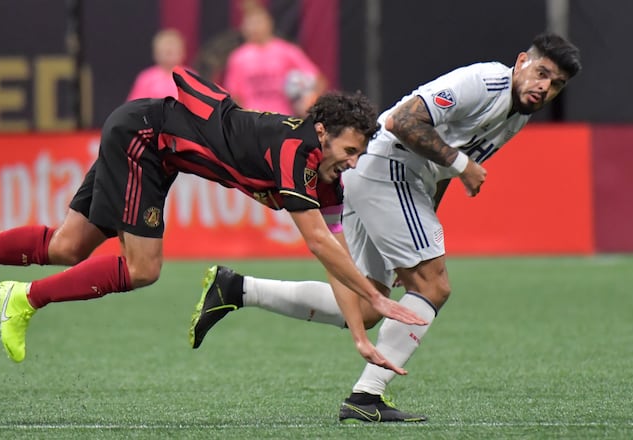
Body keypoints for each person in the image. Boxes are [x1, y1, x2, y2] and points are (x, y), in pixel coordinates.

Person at [0, 66, 427, 365]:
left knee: (68, 246)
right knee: (143, 268)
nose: (354, 162)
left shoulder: (325, 175)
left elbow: (332, 253)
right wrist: (376, 295)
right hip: (144, 139)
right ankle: (21, 298)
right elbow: (319, 245)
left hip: (148, 139)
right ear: (323, 132)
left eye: (360, 154)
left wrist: (360, 333)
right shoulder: (297, 153)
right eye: (351, 149)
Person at [189, 32, 582, 423]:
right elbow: (403, 121)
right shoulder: (485, 82)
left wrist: (421, 227)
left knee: (366, 304)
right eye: (541, 72)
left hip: (388, 180)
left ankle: (237, 289)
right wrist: (463, 167)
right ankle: (367, 395)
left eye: (556, 84)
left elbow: (442, 169)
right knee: (432, 286)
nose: (544, 86)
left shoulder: (518, 115)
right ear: (520, 63)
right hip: (387, 169)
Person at [222, 2, 327, 117]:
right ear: (243, 27)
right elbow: (235, 96)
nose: (255, 28)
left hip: (283, 120)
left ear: (269, 23)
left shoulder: (287, 51)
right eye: (250, 23)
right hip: (254, 122)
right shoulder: (238, 57)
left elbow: (318, 80)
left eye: (258, 22)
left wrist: (307, 102)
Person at [126, 28, 187, 100]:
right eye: (166, 52)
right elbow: (134, 106)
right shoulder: (146, 78)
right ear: (156, 53)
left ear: (183, 52)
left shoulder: (191, 77)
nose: (169, 55)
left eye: (173, 51)